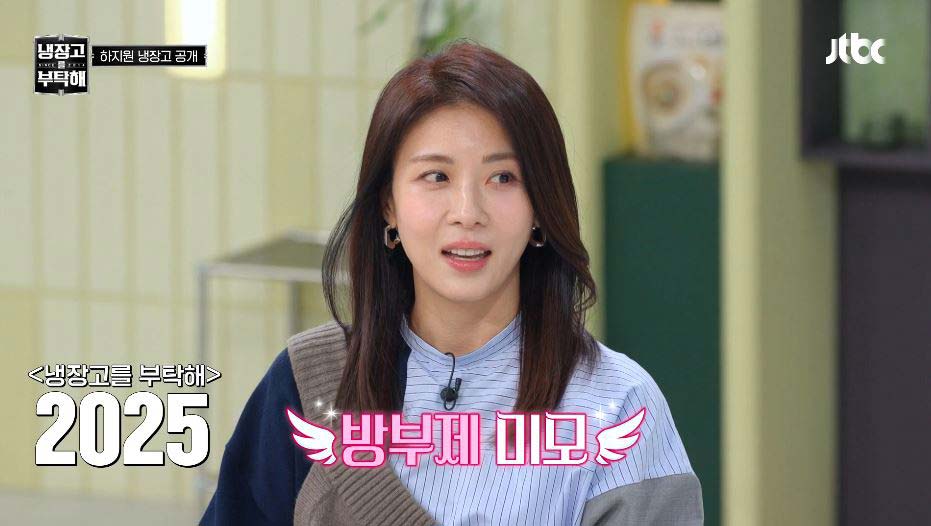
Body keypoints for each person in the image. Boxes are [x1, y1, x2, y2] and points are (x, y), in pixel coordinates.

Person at [200, 39, 703, 526]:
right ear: (389, 205)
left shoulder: (618, 407)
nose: (467, 212)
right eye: (436, 177)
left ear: (540, 209)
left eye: (503, 178)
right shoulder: (312, 382)